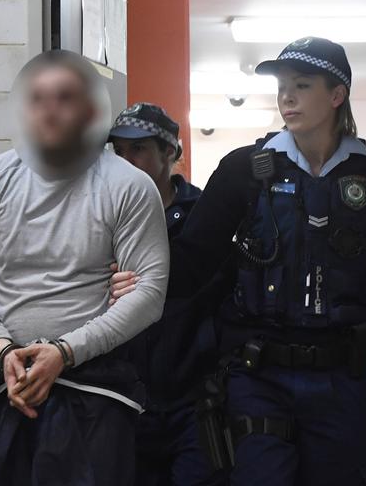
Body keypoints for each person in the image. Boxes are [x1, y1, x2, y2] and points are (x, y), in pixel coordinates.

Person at [109, 37, 366, 485]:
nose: (287, 97)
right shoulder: (244, 169)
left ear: (336, 95)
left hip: (341, 376)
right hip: (259, 376)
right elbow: (194, 262)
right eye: (282, 86)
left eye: (302, 85)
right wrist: (140, 281)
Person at [0, 50, 170, 486]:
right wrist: (2, 349)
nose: (49, 110)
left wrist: (64, 352)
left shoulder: (128, 186)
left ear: (90, 110)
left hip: (96, 390)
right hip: (14, 381)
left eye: (64, 98)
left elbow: (148, 294)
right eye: (38, 99)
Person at [108, 103, 228, 486]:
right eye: (119, 151)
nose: (126, 160)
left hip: (193, 396)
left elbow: (219, 292)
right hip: (125, 395)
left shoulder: (205, 214)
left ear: (170, 153)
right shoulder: (100, 216)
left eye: (139, 148)